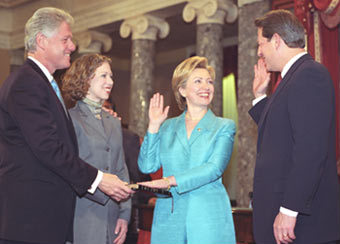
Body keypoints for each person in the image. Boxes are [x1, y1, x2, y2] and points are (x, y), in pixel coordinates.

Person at [0, 7, 133, 244]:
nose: (72, 46)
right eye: (65, 39)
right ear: (41, 41)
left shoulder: (43, 84)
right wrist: (99, 179)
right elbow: (48, 147)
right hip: (30, 222)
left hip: (44, 221)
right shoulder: (27, 84)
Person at [249, 9, 340, 244]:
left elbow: (310, 151)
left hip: (301, 225)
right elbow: (281, 137)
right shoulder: (293, 77)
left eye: (261, 44)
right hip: (289, 221)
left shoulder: (309, 75)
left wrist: (289, 209)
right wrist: (259, 97)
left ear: (277, 40)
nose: (259, 52)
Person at [137, 56, 236, 244]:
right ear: (182, 90)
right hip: (170, 216)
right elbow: (147, 166)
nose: (206, 87)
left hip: (208, 217)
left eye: (209, 82)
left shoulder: (224, 126)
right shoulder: (167, 127)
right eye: (198, 81)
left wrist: (170, 181)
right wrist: (153, 127)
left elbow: (214, 168)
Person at [62, 54, 131, 244]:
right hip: (82, 217)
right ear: (85, 79)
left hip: (112, 219)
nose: (110, 81)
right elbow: (68, 170)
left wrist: (124, 216)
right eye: (104, 76)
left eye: (111, 76)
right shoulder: (69, 120)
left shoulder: (113, 122)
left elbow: (121, 170)